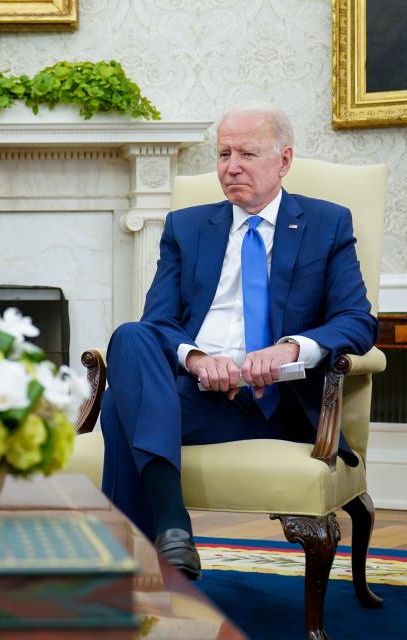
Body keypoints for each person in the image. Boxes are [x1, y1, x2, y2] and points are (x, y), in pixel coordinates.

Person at [99, 104, 377, 580]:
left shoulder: (326, 223)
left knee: (116, 408)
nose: (232, 166)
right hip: (204, 397)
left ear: (284, 160)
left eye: (248, 153)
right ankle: (173, 532)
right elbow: (160, 322)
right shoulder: (187, 227)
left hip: (282, 402)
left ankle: (141, 566)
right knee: (131, 336)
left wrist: (292, 347)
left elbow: (357, 319)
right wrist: (199, 359)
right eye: (224, 153)